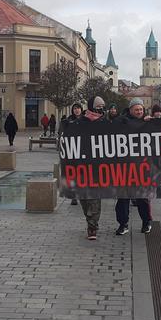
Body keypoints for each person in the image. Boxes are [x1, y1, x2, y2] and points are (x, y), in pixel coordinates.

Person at [70, 96, 108, 240]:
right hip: (82, 166)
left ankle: (92, 227)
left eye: (102, 106)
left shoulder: (105, 122)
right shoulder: (81, 122)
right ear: (92, 106)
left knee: (94, 197)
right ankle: (89, 218)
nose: (100, 108)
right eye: (98, 106)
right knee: (84, 199)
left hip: (98, 168)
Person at [113, 97, 152, 235]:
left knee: (142, 197)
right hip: (124, 167)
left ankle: (146, 222)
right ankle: (123, 224)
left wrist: (149, 123)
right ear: (131, 110)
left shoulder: (147, 122)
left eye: (141, 109)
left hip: (141, 167)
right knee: (123, 198)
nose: (139, 111)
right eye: (137, 109)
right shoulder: (122, 121)